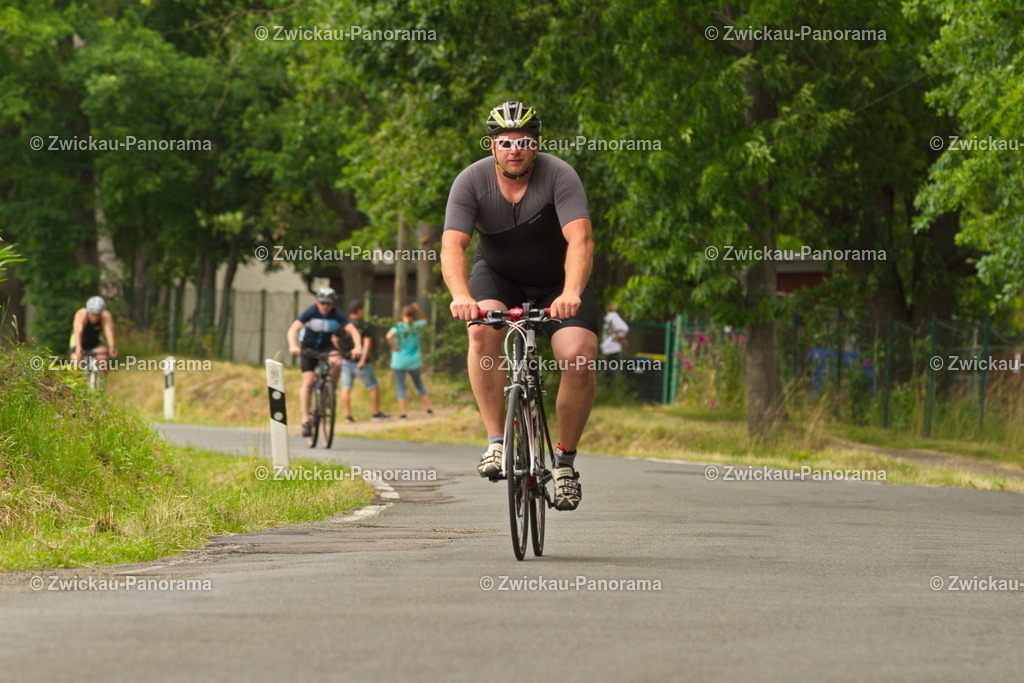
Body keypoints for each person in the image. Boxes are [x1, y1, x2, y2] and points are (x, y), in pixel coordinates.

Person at [441, 101, 596, 511]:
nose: (515, 149)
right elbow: (452, 245)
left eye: (524, 141)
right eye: (505, 141)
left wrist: (571, 292)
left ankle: (564, 463)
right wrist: (461, 296)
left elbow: (580, 240)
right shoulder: (470, 181)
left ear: (536, 144)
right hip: (498, 276)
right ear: (492, 146)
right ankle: (496, 441)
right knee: (480, 331)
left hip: (558, 285)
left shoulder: (560, 175)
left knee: (578, 356)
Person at [287, 287, 362, 438]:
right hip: (308, 347)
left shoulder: (337, 314)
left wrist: (358, 347)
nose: (325, 307)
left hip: (326, 347)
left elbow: (353, 331)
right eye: (322, 303)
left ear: (333, 304)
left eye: (328, 304)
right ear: (318, 302)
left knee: (337, 361)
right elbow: (293, 330)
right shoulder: (310, 312)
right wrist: (293, 346)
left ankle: (330, 386)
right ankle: (305, 418)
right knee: (308, 382)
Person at [335, 300, 391, 422]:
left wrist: (340, 352)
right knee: (373, 386)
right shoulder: (364, 326)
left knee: (345, 388)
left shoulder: (342, 325)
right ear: (359, 311)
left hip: (345, 360)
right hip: (360, 362)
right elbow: (367, 344)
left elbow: (334, 339)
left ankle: (348, 416)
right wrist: (363, 359)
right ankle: (375, 413)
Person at [386, 302, 435, 419]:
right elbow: (426, 320)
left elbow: (388, 336)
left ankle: (404, 413)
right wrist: (418, 310)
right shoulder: (417, 326)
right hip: (414, 361)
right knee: (419, 385)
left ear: (402, 314)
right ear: (414, 316)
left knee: (401, 387)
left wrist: (393, 347)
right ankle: (429, 409)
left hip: (399, 361)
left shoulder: (398, 326)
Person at [70, 295, 117, 370]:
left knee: (103, 357)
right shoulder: (81, 314)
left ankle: (101, 380)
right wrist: (78, 348)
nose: (95, 317)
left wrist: (112, 347)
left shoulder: (105, 315)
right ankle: (76, 379)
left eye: (98, 314)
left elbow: (109, 332)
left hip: (94, 341)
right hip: (78, 340)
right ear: (89, 311)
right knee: (76, 359)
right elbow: (77, 332)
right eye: (93, 314)